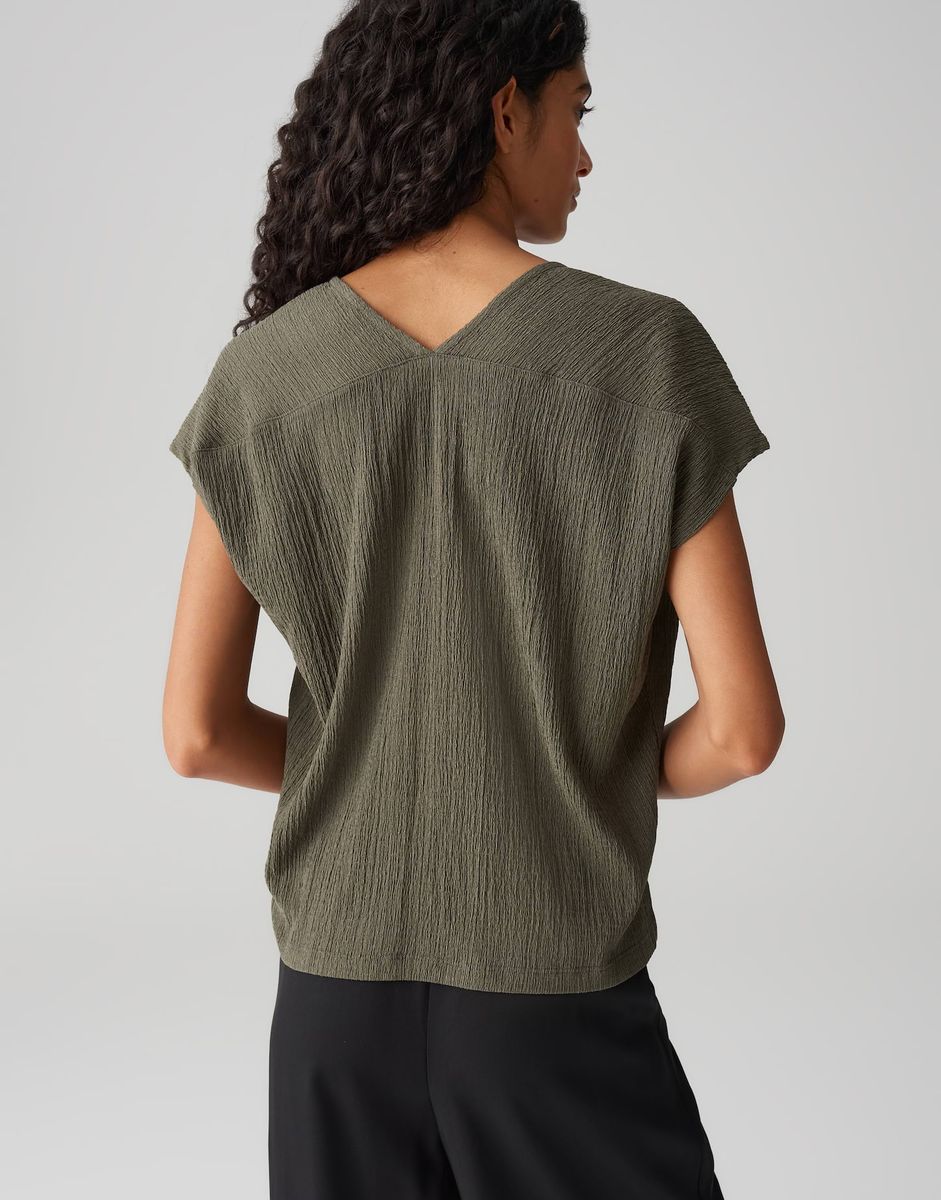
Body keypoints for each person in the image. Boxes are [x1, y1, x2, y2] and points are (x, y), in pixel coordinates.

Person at [163, 1, 785, 1196]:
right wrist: (584, 765)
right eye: (574, 113)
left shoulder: (262, 379)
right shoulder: (645, 357)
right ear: (506, 110)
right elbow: (742, 731)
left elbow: (194, 735)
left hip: (331, 1007)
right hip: (550, 998)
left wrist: (378, 759)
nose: (584, 155)